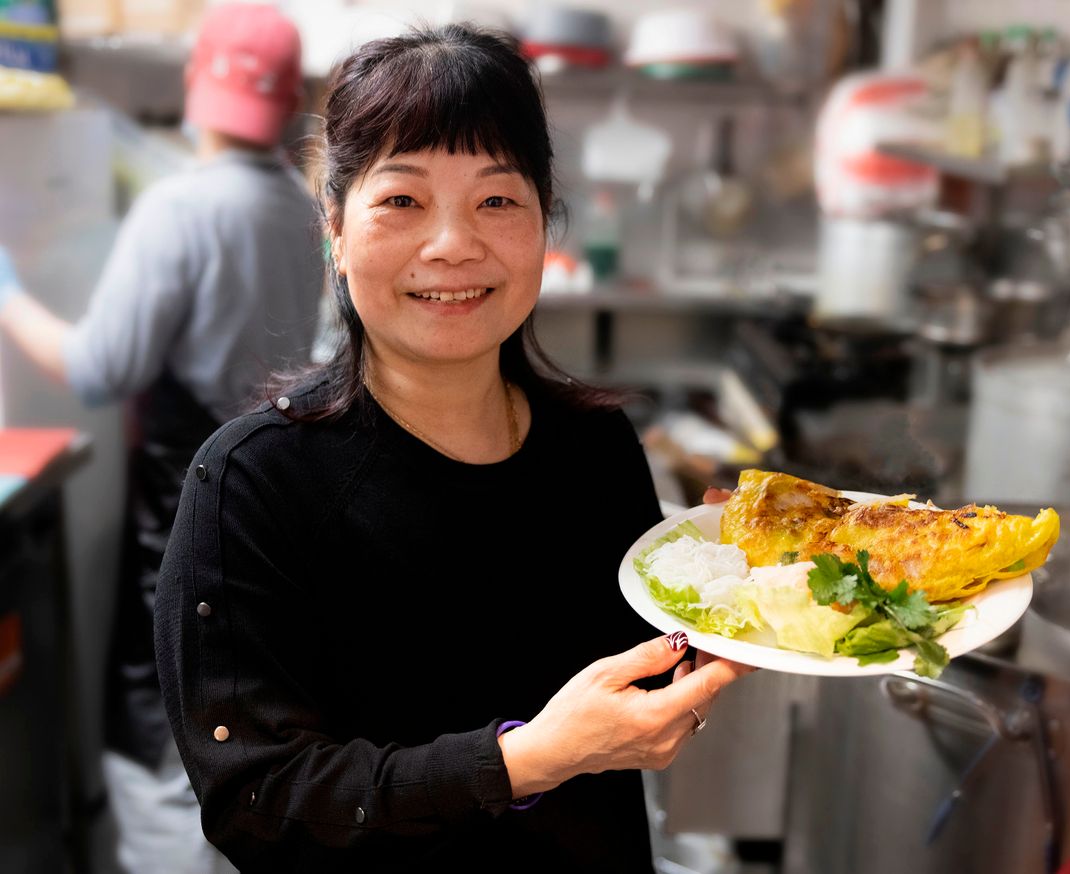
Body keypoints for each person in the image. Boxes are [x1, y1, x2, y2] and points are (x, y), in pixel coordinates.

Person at [152, 23, 754, 873]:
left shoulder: (596, 449)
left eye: (497, 200)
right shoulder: (249, 483)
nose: (452, 245)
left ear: (546, 220)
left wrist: (735, 587)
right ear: (334, 223)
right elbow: (258, 802)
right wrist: (523, 761)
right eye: (402, 200)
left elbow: (637, 682)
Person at [0, 4, 324, 872]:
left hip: (182, 528)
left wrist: (5, 289)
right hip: (276, 515)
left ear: (195, 84)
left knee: (165, 756)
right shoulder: (299, 207)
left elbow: (99, 366)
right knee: (246, 737)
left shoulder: (178, 206)